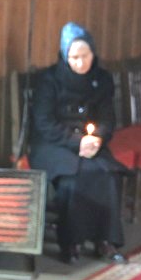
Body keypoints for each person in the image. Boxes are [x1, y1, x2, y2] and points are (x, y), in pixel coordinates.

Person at [28, 22, 127, 265]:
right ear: (65, 56)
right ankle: (71, 242)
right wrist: (76, 142)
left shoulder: (101, 79)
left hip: (90, 144)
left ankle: (106, 240)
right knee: (74, 179)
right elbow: (44, 123)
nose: (81, 63)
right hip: (54, 144)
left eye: (85, 56)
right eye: (74, 57)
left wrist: (97, 138)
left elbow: (107, 118)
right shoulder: (49, 80)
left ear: (93, 53)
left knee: (107, 175)